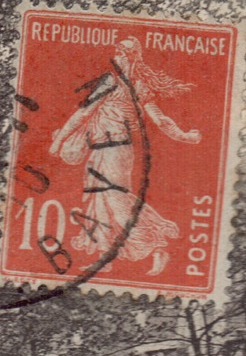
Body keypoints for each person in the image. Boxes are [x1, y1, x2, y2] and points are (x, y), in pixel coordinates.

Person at [50, 38, 202, 277]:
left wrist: (59, 141)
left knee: (115, 201)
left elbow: (83, 113)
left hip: (113, 150)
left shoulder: (111, 81)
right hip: (103, 150)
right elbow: (160, 119)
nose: (117, 55)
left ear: (130, 56)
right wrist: (184, 135)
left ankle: (156, 244)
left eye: (121, 51)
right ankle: (105, 257)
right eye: (117, 51)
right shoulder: (139, 86)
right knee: (98, 202)